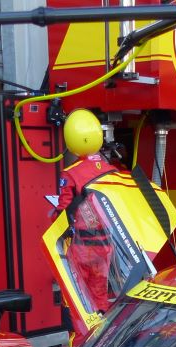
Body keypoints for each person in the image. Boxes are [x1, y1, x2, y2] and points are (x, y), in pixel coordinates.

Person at [55, 109, 120, 312]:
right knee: (100, 292)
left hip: (82, 246)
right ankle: (100, 336)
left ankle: (82, 340)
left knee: (78, 297)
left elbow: (63, 211)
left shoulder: (70, 173)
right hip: (106, 246)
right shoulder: (113, 171)